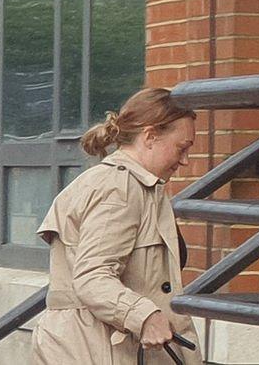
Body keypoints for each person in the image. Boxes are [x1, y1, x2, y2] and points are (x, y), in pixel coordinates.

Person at [31, 88, 202, 365]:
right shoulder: (119, 189)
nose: (185, 160)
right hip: (96, 350)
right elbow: (92, 276)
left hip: (94, 345)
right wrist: (144, 316)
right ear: (149, 136)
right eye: (181, 148)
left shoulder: (132, 186)